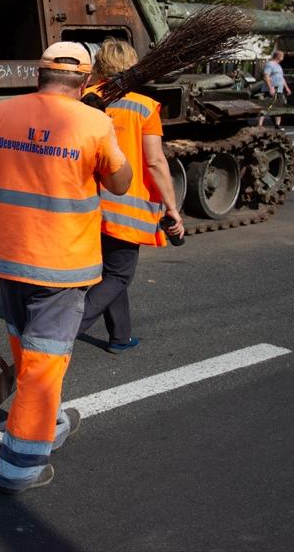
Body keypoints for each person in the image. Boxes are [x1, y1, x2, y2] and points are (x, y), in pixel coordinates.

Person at [0, 41, 131, 494]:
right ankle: (20, 466)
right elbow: (120, 185)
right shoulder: (94, 123)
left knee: (29, 345)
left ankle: (53, 420)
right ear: (84, 81)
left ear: (38, 75)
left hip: (9, 259)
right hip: (62, 264)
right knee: (44, 363)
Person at [78, 39, 185, 354]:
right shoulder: (143, 106)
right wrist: (172, 207)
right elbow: (154, 162)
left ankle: (120, 336)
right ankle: (63, 333)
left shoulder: (84, 99)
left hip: (87, 203)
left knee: (110, 272)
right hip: (125, 205)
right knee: (120, 274)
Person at [261, 50, 291, 127]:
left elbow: (281, 78)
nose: (283, 57)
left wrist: (287, 88)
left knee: (279, 107)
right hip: (271, 90)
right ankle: (259, 125)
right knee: (266, 107)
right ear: (278, 56)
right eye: (282, 56)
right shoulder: (270, 64)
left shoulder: (278, 66)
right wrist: (270, 87)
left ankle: (277, 125)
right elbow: (266, 76)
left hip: (279, 90)